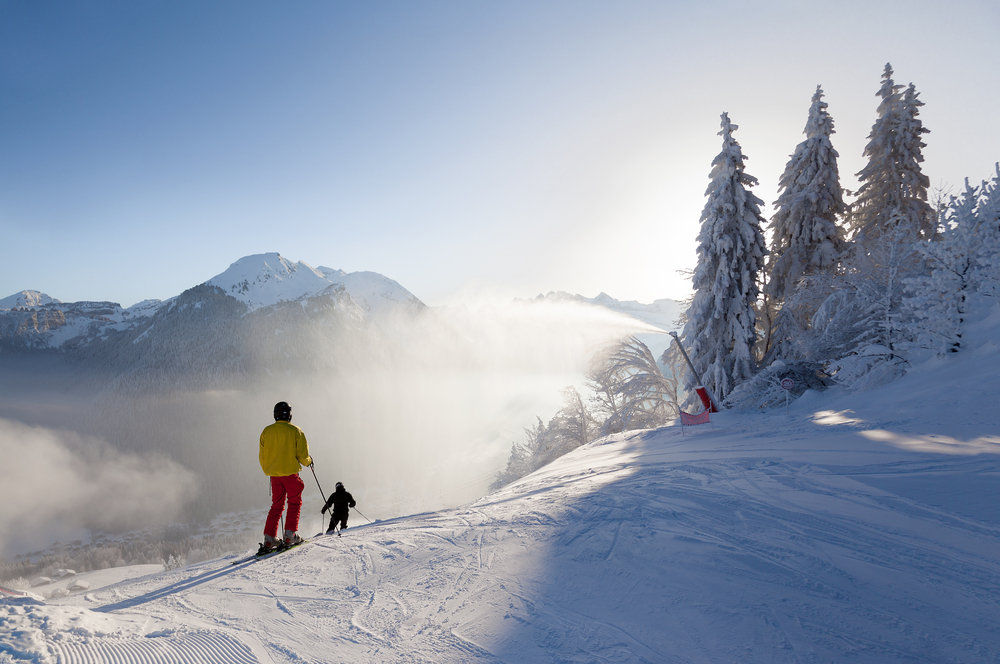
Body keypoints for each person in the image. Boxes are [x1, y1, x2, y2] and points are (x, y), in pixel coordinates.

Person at [259, 401, 313, 550]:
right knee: (294, 502)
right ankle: (290, 536)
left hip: (274, 476)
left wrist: (268, 470)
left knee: (276, 506)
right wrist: (309, 462)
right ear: (289, 415)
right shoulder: (296, 431)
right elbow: (303, 456)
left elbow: (262, 456)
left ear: (275, 415)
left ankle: (269, 539)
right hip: (290, 474)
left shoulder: (266, 431)